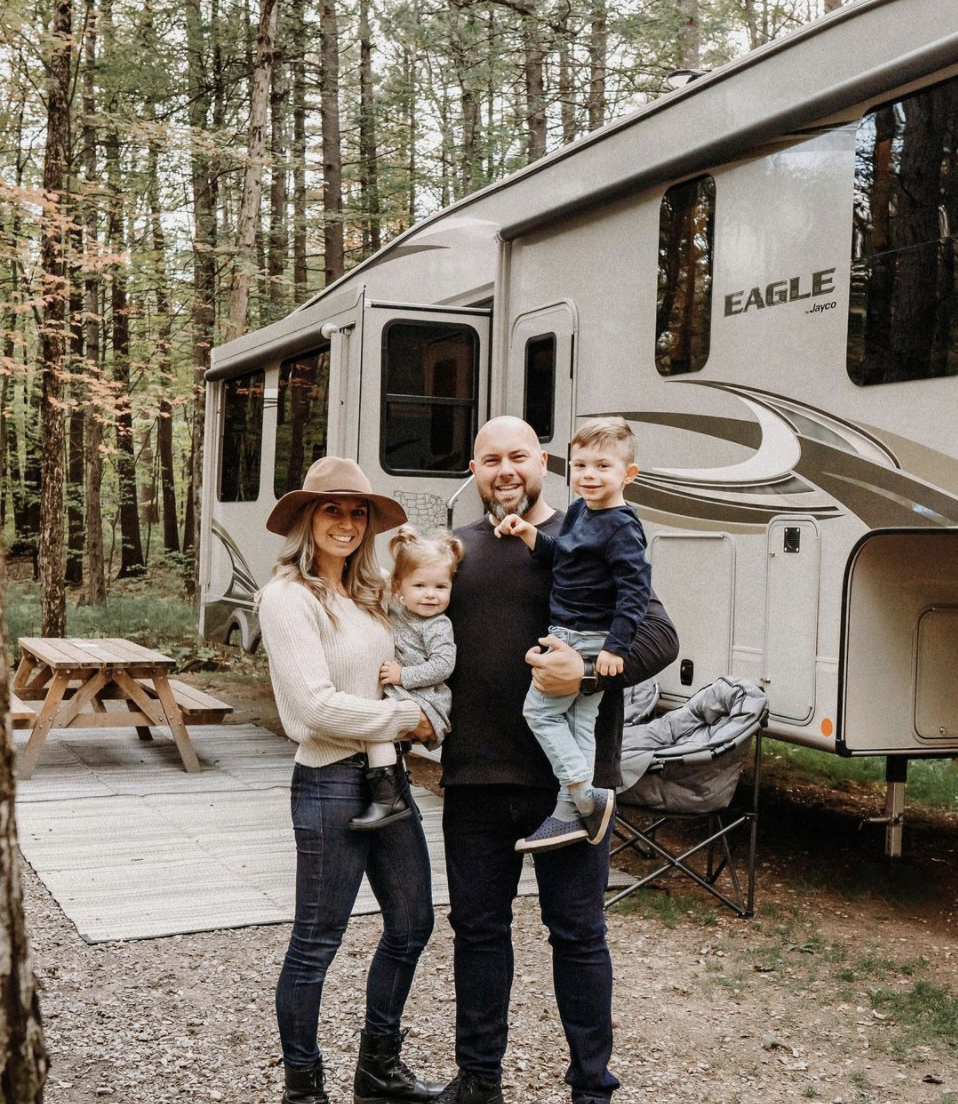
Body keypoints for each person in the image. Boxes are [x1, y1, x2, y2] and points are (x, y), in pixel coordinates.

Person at [436, 417, 679, 1104]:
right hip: (476, 776)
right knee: (478, 933)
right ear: (474, 469)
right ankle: (479, 1079)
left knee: (577, 935)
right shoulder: (457, 551)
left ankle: (591, 1089)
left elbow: (659, 635)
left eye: (519, 456)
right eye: (490, 459)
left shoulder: (591, 534)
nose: (505, 470)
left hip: (571, 791)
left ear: (543, 462)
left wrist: (591, 676)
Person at [258, 456, 443, 1104]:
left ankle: (378, 1070)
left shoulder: (366, 597)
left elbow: (402, 669)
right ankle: (304, 1089)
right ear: (308, 518)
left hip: (389, 780)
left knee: (413, 923)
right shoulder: (286, 596)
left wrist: (426, 716)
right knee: (316, 942)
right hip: (330, 784)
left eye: (357, 511)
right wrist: (405, 718)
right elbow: (312, 709)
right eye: (331, 509)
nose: (345, 521)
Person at [494, 417, 651, 854]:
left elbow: (636, 591)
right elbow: (562, 557)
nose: (588, 476)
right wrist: (530, 533)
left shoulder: (622, 526)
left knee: (540, 714)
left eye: (602, 467)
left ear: (628, 475)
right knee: (580, 721)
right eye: (581, 465)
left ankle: (584, 794)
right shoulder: (581, 510)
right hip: (573, 631)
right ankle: (573, 814)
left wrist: (616, 647)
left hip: (587, 636)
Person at [350, 524, 464, 831]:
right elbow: (374, 577)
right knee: (381, 731)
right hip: (407, 694)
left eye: (441, 587)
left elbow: (443, 665)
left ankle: (389, 798)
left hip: (427, 699)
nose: (430, 595)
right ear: (399, 588)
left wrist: (403, 676)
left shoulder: (437, 625)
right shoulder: (396, 608)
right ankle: (397, 789)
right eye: (420, 586)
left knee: (379, 727)